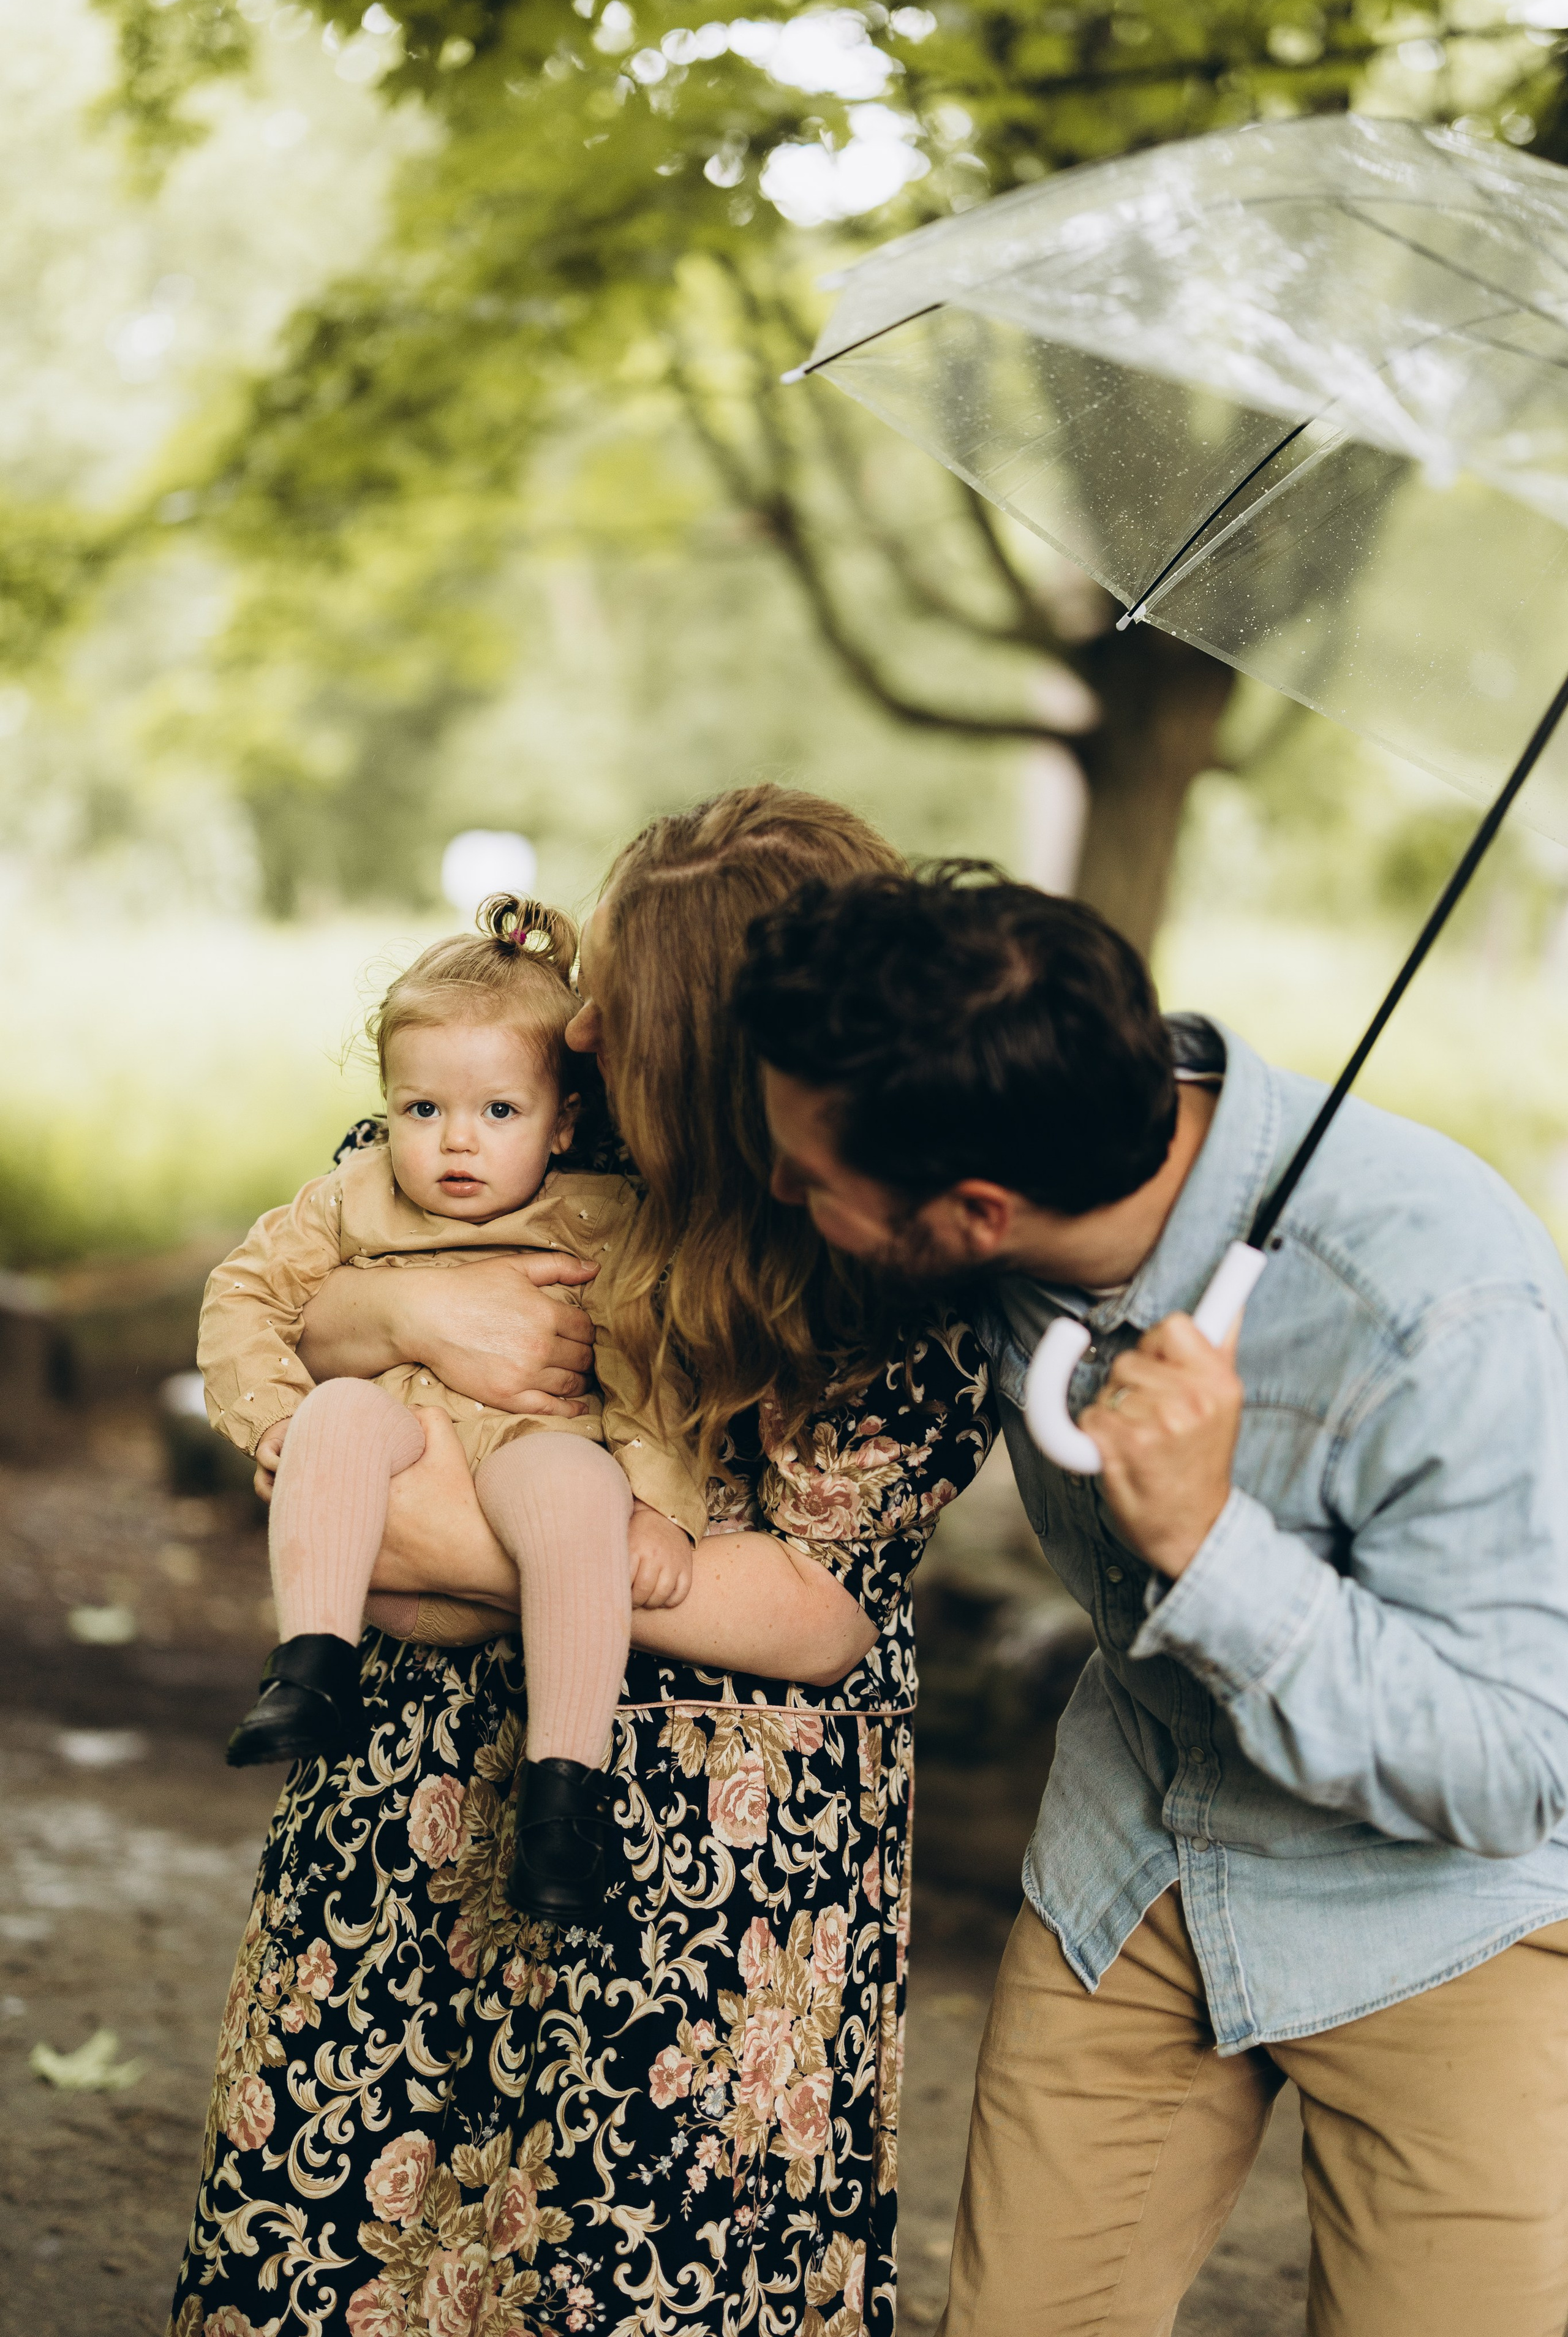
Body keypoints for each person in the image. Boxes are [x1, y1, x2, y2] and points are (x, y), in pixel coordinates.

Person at [168, 787, 993, 2337]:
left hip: (706, 1851)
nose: (590, 1013)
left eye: (637, 1002)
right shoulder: (539, 1095)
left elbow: (815, 1616)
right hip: (414, 1795)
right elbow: (310, 1289)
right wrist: (404, 1322)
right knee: (352, 2223)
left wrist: (436, 1551)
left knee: (636, 2258)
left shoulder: (895, 1238)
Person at [735, 863, 1568, 2337]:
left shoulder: (1439, 1303)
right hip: (1140, 1853)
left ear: (972, 1213)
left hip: (1439, 1910)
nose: (783, 1192)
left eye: (811, 1178)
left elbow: (1513, 1763)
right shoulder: (1016, 1124)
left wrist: (1210, 1546)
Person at [200, 894, 706, 1920]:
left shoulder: (604, 1216)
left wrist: (664, 1505)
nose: (454, 1143)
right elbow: (242, 1290)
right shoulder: (351, 1194)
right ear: (389, 1105)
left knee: (578, 1492)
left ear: (564, 1119)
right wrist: (276, 1417)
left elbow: (650, 1364)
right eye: (422, 1110)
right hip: (401, 1442)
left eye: (499, 1113)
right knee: (337, 1416)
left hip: (532, 1439)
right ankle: (311, 1665)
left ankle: (565, 1785)